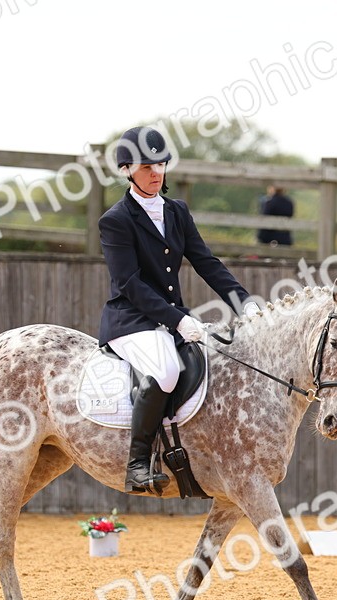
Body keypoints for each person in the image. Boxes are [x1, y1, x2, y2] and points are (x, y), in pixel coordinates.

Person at [98, 126, 259, 494]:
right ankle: (138, 464)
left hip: (170, 321)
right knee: (167, 370)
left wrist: (243, 301)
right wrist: (179, 319)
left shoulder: (177, 211)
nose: (156, 173)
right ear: (126, 170)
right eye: (146, 167)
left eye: (161, 165)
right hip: (131, 321)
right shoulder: (116, 219)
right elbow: (129, 284)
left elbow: (206, 262)